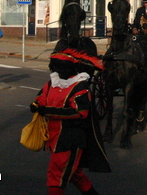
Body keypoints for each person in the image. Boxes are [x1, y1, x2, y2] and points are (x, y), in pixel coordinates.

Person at [31, 48, 110, 195]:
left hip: (70, 138)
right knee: (73, 173)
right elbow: (42, 97)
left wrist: (49, 111)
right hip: (53, 136)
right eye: (55, 68)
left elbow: (80, 112)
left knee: (56, 176)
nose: (58, 71)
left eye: (60, 68)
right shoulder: (52, 83)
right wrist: (36, 104)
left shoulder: (80, 87)